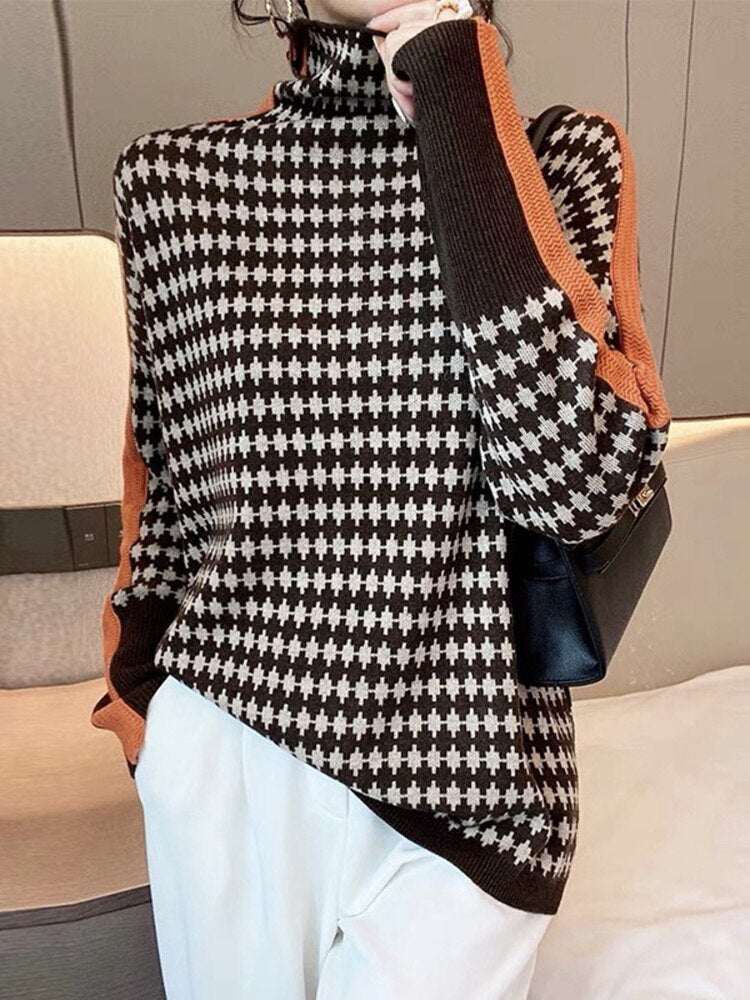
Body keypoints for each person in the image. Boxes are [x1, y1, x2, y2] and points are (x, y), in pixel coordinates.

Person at [90, 0, 671, 996]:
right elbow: (167, 503)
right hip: (229, 758)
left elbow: (579, 488)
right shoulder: (173, 182)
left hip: (477, 794)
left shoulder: (561, 160)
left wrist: (449, 75)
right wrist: (149, 717)